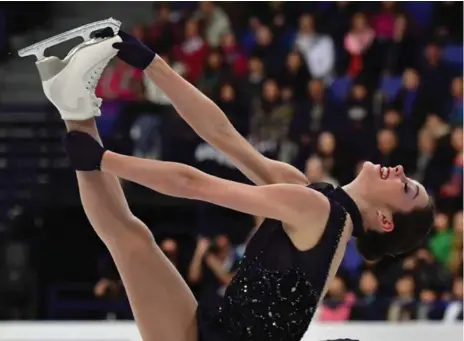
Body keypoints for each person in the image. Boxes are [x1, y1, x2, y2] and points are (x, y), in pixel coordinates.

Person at [39, 29, 434, 341]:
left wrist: (102, 160)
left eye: (406, 188)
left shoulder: (315, 210)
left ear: (385, 220)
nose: (399, 169)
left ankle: (75, 112)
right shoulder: (311, 197)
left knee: (130, 238)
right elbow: (223, 136)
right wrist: (152, 63)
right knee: (131, 238)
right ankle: (73, 104)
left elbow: (196, 184)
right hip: (216, 330)